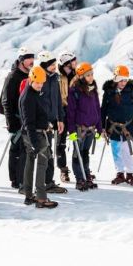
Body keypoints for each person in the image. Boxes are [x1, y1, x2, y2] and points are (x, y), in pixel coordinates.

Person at [18, 66, 58, 209]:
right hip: (34, 134)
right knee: (43, 162)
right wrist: (34, 142)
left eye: (42, 83)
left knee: (30, 162)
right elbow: (29, 122)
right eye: (37, 82)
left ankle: (29, 195)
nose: (40, 85)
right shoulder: (28, 97)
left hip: (34, 133)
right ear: (31, 79)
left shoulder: (32, 93)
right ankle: (41, 198)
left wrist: (45, 123)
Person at [100, 65, 133, 186]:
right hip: (112, 127)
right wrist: (102, 128)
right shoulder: (108, 91)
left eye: (125, 79)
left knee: (127, 151)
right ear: (115, 78)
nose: (123, 82)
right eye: (121, 80)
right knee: (116, 150)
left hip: (128, 127)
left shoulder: (131, 91)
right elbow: (103, 110)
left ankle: (129, 174)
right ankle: (120, 173)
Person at [0, 47, 34, 190]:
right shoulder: (13, 77)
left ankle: (20, 179)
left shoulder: (30, 75)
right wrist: (11, 122)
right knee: (18, 150)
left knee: (24, 150)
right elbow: (6, 100)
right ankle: (17, 180)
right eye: (28, 58)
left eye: (32, 57)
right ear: (21, 60)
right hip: (16, 118)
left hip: (25, 118)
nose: (32, 61)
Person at [66, 62, 103, 192]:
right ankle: (79, 178)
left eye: (92, 74)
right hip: (79, 128)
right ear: (81, 76)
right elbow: (70, 112)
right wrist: (71, 131)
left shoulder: (93, 89)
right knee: (77, 154)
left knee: (85, 153)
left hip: (91, 128)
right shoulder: (75, 90)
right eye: (88, 75)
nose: (91, 77)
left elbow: (97, 109)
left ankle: (87, 175)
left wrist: (100, 128)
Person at [35, 51, 67, 194]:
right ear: (44, 65)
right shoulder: (38, 79)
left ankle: (48, 182)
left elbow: (58, 100)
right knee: (44, 153)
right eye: (52, 65)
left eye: (55, 64)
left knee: (49, 153)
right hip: (41, 124)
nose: (55, 67)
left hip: (52, 122)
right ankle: (43, 183)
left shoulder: (54, 78)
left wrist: (60, 119)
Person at [56, 51, 77, 182]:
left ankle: (81, 168)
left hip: (75, 112)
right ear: (67, 63)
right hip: (62, 112)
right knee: (61, 143)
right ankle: (63, 169)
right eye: (73, 60)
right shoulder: (57, 78)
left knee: (77, 140)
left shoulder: (77, 76)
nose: (76, 62)